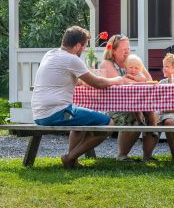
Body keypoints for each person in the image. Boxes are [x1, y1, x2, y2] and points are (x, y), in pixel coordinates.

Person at [31, 26, 131, 170]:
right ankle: (69, 157)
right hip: (56, 113)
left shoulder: (50, 54)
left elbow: (64, 78)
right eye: (84, 46)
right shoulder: (71, 59)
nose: (84, 49)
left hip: (39, 113)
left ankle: (72, 161)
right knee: (109, 124)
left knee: (81, 119)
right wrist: (118, 80)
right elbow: (97, 83)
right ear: (77, 45)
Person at [99, 34, 159, 161]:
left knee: (153, 116)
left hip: (140, 104)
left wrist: (137, 79)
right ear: (113, 51)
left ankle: (147, 156)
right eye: (124, 50)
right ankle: (122, 155)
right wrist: (138, 81)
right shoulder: (107, 64)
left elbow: (149, 80)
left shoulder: (133, 62)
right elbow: (121, 83)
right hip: (116, 106)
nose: (127, 52)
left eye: (129, 49)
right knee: (132, 117)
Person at [124, 54, 158, 132]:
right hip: (133, 99)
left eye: (136, 68)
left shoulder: (139, 74)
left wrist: (133, 78)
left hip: (143, 97)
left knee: (149, 110)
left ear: (140, 69)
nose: (133, 70)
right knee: (136, 109)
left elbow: (143, 79)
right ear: (126, 67)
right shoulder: (125, 75)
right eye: (131, 67)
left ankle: (153, 127)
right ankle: (140, 122)